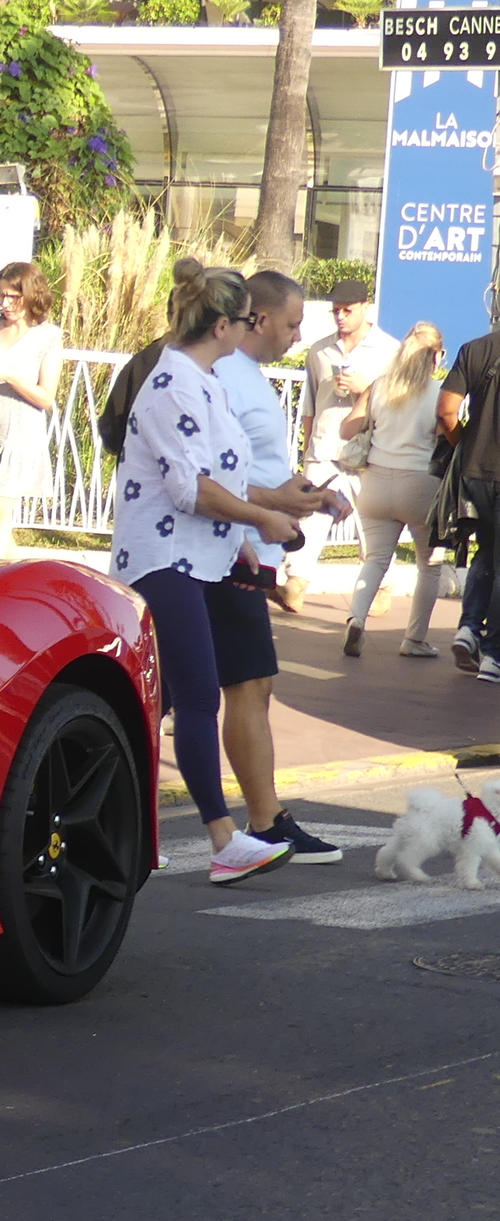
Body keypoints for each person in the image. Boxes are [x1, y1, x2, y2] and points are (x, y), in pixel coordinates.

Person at [112, 259, 331, 884]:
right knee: (197, 698)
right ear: (225, 325)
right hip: (162, 559)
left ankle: (141, 832)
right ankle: (221, 838)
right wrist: (258, 523)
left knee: (171, 701)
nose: (249, 332)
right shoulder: (176, 383)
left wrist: (242, 532)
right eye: (243, 322)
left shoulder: (203, 381)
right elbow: (191, 488)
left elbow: (222, 480)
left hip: (194, 557)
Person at [211, 271, 348, 864]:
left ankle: (263, 816)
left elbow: (256, 466)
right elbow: (212, 471)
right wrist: (274, 507)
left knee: (248, 684)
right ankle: (261, 820)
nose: (298, 336)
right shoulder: (221, 376)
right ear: (257, 319)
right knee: (241, 683)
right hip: (226, 548)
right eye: (292, 324)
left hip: (247, 546)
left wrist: (311, 493)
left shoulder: (249, 379)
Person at [339, 321, 448, 659]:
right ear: (437, 357)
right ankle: (414, 639)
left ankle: (356, 618)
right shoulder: (440, 395)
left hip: (375, 481)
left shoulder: (380, 386)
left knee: (375, 559)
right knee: (429, 564)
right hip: (420, 483)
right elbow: (449, 436)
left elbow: (347, 430)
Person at [292, 279, 398, 612]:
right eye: (335, 311)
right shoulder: (319, 350)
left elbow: (397, 405)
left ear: (365, 308)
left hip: (367, 452)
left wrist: (366, 389)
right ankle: (295, 582)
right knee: (311, 516)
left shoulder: (389, 350)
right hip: (324, 447)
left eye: (348, 311)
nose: (341, 317)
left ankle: (381, 585)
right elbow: (309, 403)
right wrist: (307, 447)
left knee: (371, 520)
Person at [0, 260, 64, 560]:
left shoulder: (48, 337)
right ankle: (24, 578)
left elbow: (46, 398)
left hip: (19, 434)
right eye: (1, 295)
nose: (5, 304)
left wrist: (8, 376)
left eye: (13, 297)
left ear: (31, 295)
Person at [437, 325, 500, 679]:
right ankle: (494, 656)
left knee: (487, 550)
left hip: (476, 472)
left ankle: (469, 628)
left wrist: (466, 446)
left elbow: (446, 411)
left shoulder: (474, 349)